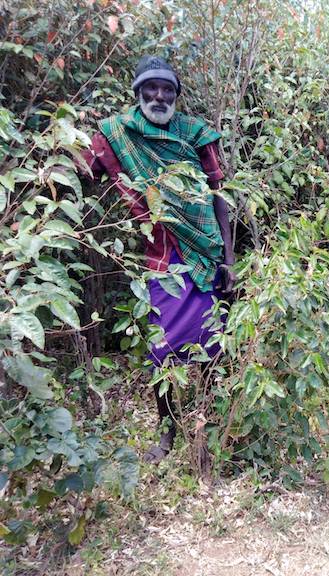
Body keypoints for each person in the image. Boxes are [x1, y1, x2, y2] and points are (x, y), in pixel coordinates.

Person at [81, 56, 235, 463]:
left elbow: (220, 196)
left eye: (168, 89)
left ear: (177, 96)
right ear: (137, 93)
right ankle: (166, 434)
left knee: (210, 348)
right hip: (163, 261)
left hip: (206, 256)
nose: (160, 96)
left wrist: (230, 260)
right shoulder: (118, 133)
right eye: (152, 88)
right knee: (162, 350)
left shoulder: (197, 134)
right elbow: (86, 169)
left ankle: (206, 433)